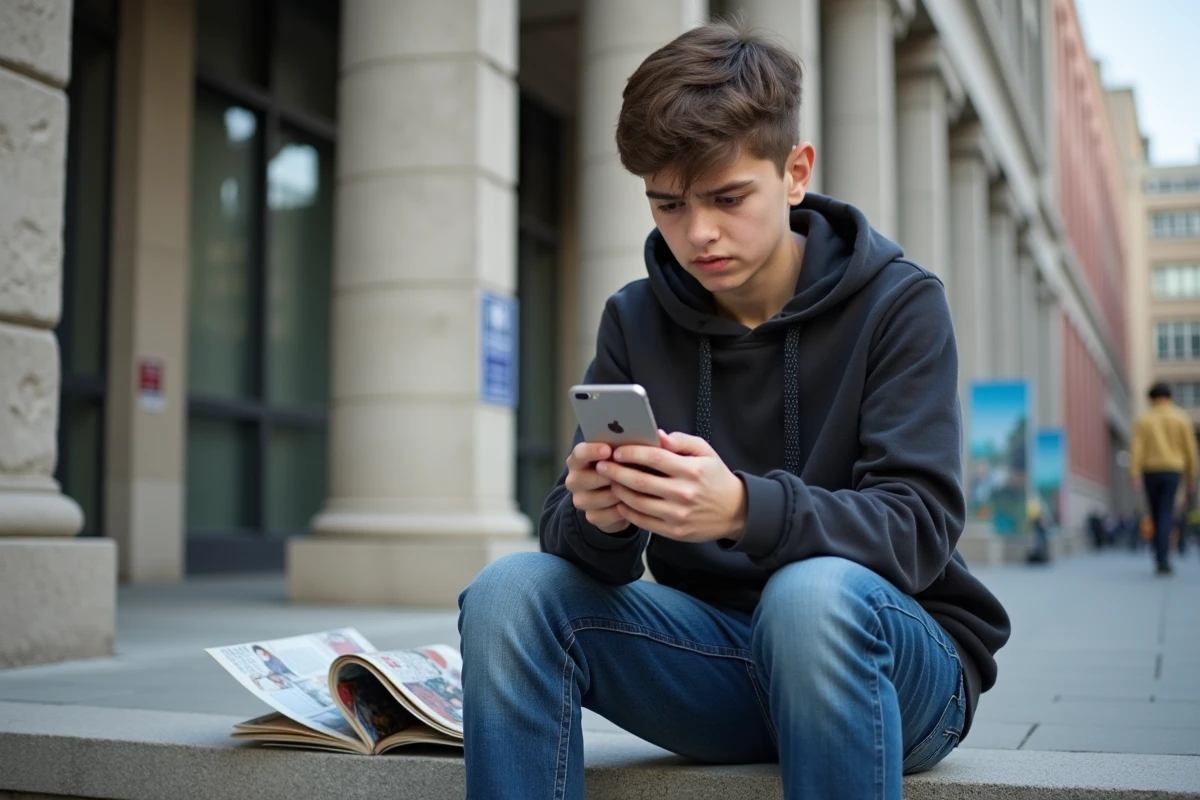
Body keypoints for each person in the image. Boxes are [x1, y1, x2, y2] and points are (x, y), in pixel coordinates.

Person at [456, 21, 1010, 800]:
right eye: (669, 205)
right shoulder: (635, 320)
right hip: (716, 665)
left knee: (808, 598)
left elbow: (916, 528)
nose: (698, 233)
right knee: (507, 594)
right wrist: (599, 517)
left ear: (795, 171)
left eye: (727, 198)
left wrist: (743, 509)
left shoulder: (900, 303)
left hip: (893, 666)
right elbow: (579, 553)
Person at [1129, 382, 1198, 575]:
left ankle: (1159, 555)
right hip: (1173, 470)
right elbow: (1190, 449)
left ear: (1151, 399)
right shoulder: (1180, 417)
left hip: (1150, 470)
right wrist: (1191, 475)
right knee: (1166, 511)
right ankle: (1163, 557)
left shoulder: (1144, 419)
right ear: (1169, 397)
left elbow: (1137, 447)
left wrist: (1134, 472)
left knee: (1155, 512)